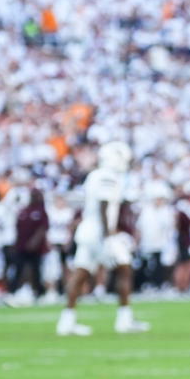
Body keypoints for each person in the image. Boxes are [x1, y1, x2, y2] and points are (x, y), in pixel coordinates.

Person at [58, 142, 149, 336]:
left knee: (80, 272)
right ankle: (124, 320)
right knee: (124, 268)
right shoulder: (108, 176)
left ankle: (66, 321)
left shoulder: (94, 175)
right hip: (99, 232)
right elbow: (104, 204)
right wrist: (109, 234)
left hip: (87, 230)